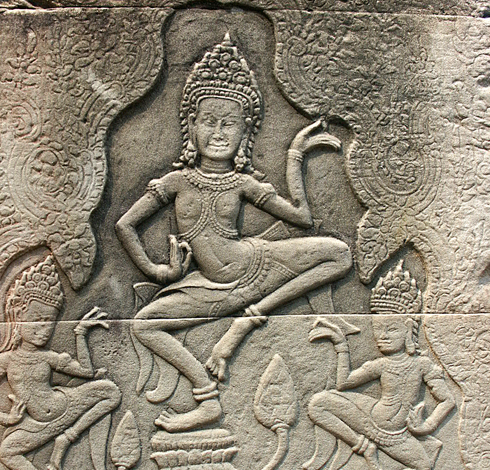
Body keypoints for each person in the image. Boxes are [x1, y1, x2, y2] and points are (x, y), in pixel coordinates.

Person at [116, 34, 351, 433]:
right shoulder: (176, 182)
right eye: (209, 121)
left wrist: (295, 154)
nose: (219, 132)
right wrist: (158, 272)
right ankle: (206, 398)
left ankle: (245, 322)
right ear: (191, 125)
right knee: (145, 325)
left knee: (339, 254)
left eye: (229, 124)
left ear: (246, 132)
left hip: (257, 267)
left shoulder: (242, 183)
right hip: (210, 287)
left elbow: (301, 218)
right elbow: (125, 225)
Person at [305, 262, 455, 470]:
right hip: (368, 418)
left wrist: (426, 426)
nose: (382, 337)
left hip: (397, 434)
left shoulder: (422, 365)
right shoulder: (381, 364)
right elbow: (344, 383)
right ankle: (363, 446)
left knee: (422, 467)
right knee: (317, 404)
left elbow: (447, 400)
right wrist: (341, 345)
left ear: (408, 328)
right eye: (378, 329)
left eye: (391, 330)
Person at [0, 255, 121, 470]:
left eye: (50, 323)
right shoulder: (6, 361)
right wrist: (7, 419)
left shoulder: (48, 357)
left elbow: (85, 372)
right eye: (37, 320)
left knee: (111, 392)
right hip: (36, 425)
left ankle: (67, 438)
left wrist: (80, 333)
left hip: (65, 406)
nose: (44, 329)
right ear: (18, 316)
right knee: (7, 451)